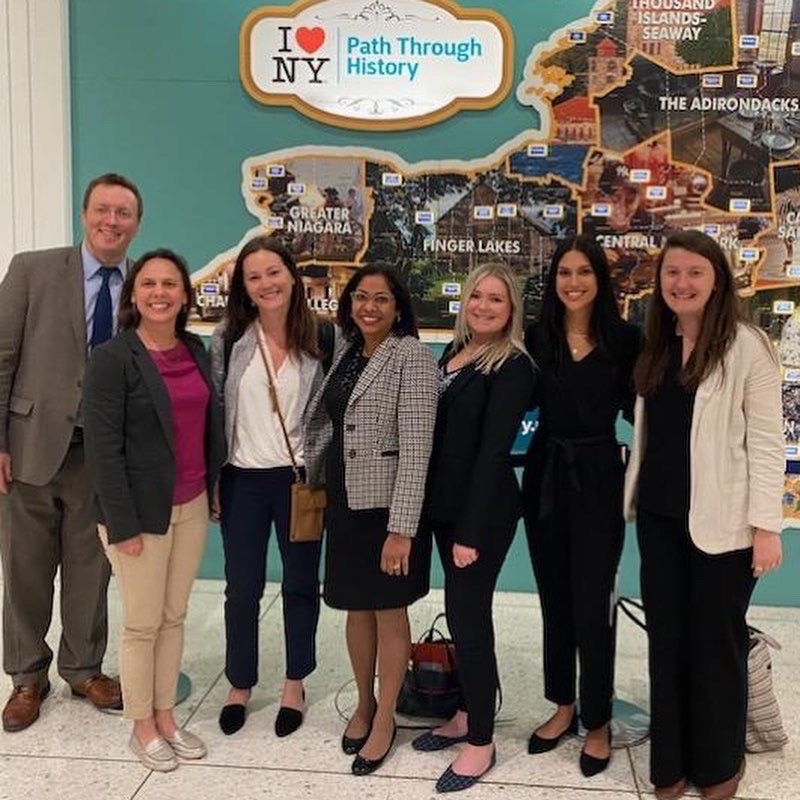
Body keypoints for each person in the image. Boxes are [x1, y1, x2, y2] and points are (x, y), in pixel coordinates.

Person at [624, 230, 783, 800]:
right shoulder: (658, 344)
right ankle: (670, 765)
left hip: (727, 525)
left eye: (694, 272)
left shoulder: (747, 346)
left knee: (715, 646)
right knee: (666, 642)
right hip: (661, 522)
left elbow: (768, 442)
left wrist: (768, 526)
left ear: (717, 280)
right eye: (672, 273)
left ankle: (718, 768)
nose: (681, 283)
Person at [0, 173, 142, 732]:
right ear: (85, 215)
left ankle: (83, 669)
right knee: (26, 569)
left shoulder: (143, 284)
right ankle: (26, 676)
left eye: (123, 213)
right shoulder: (33, 270)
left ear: (137, 223)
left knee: (92, 569)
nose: (111, 221)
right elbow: (1, 357)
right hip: (32, 447)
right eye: (102, 210)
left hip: (103, 456)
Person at [83, 248, 225, 771]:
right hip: (138, 513)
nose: (160, 293)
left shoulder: (195, 348)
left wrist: (212, 489)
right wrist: (122, 526)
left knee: (173, 616)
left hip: (189, 505)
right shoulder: (113, 358)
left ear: (185, 295)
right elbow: (103, 450)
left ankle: (166, 715)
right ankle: (140, 724)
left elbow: (207, 427)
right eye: (149, 284)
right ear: (134, 294)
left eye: (170, 284)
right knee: (142, 624)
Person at [304, 265, 438, 776]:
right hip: (344, 504)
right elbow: (328, 420)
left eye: (381, 299)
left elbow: (417, 450)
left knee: (388, 612)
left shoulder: (413, 360)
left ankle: (386, 718)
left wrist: (401, 529)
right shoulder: (345, 351)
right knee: (354, 609)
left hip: (388, 512)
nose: (369, 307)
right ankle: (363, 702)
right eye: (361, 297)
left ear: (399, 307)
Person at [410, 263, 537, 793]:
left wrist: (470, 532)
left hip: (478, 516)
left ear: (512, 312)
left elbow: (493, 455)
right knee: (462, 620)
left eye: (497, 300)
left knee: (470, 619)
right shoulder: (454, 354)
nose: (484, 307)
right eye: (477, 296)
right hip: (445, 508)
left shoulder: (513, 367)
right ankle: (464, 713)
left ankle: (481, 741)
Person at [522, 234, 640, 777]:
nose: (573, 282)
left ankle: (596, 719)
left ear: (600, 279)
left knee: (594, 604)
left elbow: (647, 415)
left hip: (598, 476)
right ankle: (562, 705)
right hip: (545, 476)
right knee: (554, 598)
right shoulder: (536, 337)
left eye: (583, 272)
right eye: (564, 273)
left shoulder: (626, 340)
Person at [209, 236, 332, 737]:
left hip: (299, 482)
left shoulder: (324, 337)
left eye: (273, 272)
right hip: (242, 481)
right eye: (254, 276)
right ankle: (240, 683)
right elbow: (216, 412)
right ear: (244, 286)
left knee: (301, 585)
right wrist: (215, 479)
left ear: (292, 276)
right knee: (241, 588)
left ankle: (294, 682)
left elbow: (336, 411)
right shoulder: (230, 337)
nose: (266, 283)